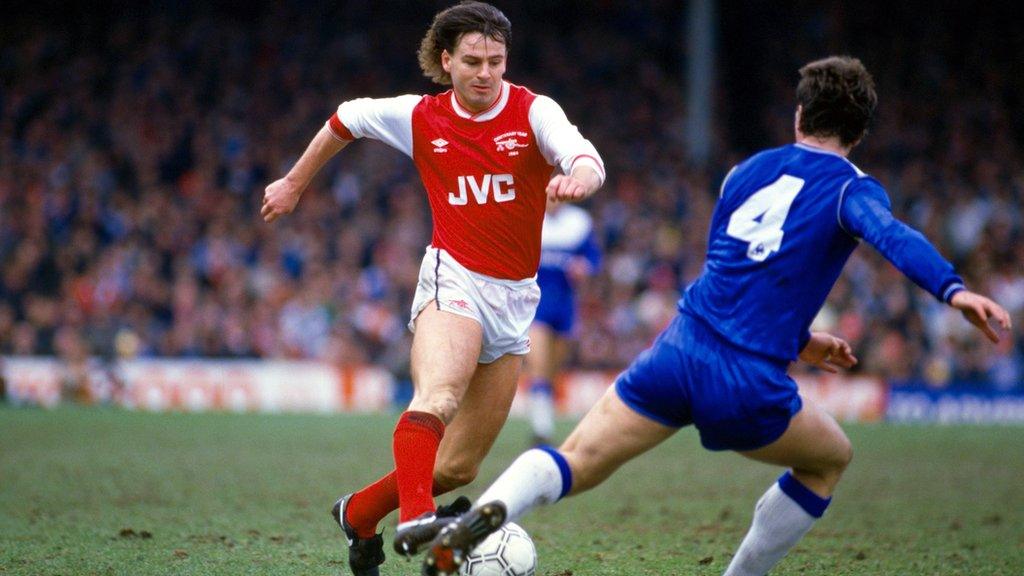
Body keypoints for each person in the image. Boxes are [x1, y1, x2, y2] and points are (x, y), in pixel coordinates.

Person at [420, 56, 1012, 576]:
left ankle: (481, 517)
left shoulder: (744, 173)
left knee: (576, 459)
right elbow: (892, 236)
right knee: (831, 458)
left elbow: (734, 273)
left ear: (799, 117)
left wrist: (800, 340)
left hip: (677, 350)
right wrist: (953, 290)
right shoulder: (852, 188)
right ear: (859, 133)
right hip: (745, 379)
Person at [261, 2, 605, 575]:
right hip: (454, 277)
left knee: (457, 468)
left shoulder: (534, 111)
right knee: (439, 397)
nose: (485, 72)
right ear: (446, 61)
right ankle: (416, 519)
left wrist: (579, 177)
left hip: (516, 298)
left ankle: (359, 512)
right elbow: (346, 118)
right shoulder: (420, 117)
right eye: (472, 61)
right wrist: (294, 184)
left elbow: (583, 154)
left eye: (496, 61)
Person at [526, 199, 601, 446]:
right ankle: (541, 427)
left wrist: (585, 267)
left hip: (566, 307)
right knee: (538, 362)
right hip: (535, 305)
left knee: (552, 368)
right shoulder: (530, 218)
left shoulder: (579, 222)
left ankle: (543, 418)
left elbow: (593, 257)